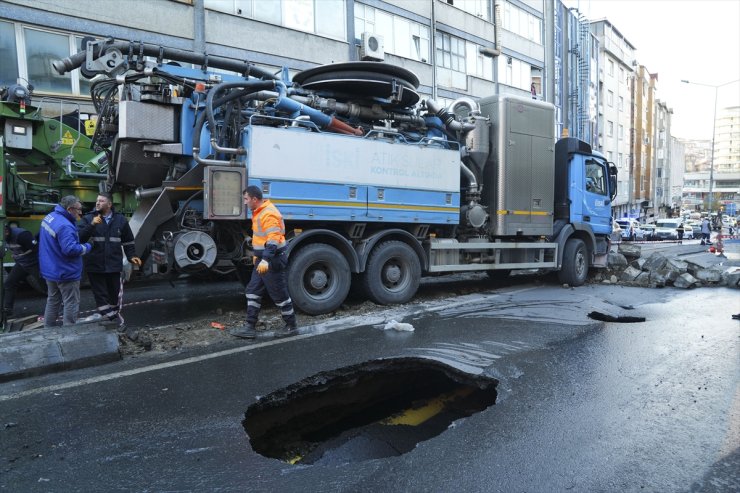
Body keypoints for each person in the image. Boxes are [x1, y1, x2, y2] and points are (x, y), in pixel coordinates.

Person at [230, 185, 298, 339]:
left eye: (246, 199)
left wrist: (265, 259)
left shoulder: (268, 213)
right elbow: (263, 238)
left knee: (279, 295)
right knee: (253, 291)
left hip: (271, 261)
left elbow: (273, 239)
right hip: (262, 261)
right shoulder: (259, 212)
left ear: (254, 199)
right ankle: (249, 326)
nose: (245, 202)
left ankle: (291, 325)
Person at [78, 192, 141, 324]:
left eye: (101, 201)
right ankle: (111, 319)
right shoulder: (88, 218)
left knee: (114, 293)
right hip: (95, 264)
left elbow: (128, 241)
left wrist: (132, 256)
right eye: (97, 200)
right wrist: (92, 225)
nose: (97, 203)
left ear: (109, 204)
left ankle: (112, 316)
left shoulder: (120, 220)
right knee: (100, 295)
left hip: (113, 264)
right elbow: (79, 238)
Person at [38, 195, 91, 327]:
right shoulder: (65, 226)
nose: (80, 212)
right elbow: (70, 250)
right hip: (65, 271)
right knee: (71, 302)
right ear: (69, 209)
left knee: (53, 300)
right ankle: (69, 333)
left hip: (50, 269)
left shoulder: (50, 217)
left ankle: (48, 329)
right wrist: (87, 246)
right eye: (78, 210)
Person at [2, 224, 40, 319]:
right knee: (9, 283)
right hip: (22, 264)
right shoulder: (3, 237)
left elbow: (36, 248)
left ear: (6, 232)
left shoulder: (22, 235)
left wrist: (21, 255)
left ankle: (61, 303)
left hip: (35, 263)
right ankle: (8, 309)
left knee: (46, 285)